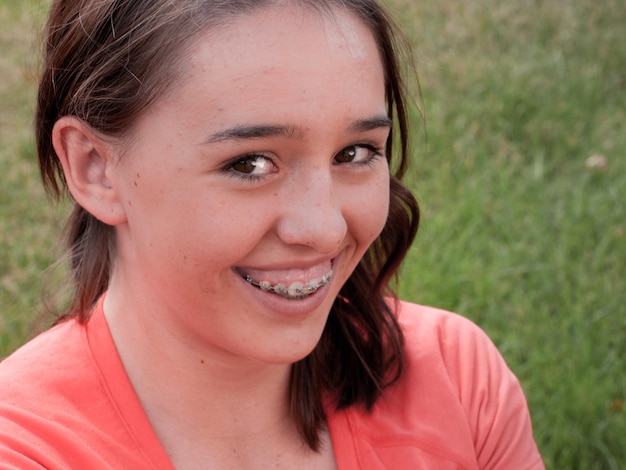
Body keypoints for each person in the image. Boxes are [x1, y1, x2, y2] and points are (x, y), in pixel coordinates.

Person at [0, 0, 544, 468]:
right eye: (251, 164)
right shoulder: (22, 451)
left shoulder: (456, 382)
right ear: (95, 166)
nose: (325, 228)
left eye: (354, 153)